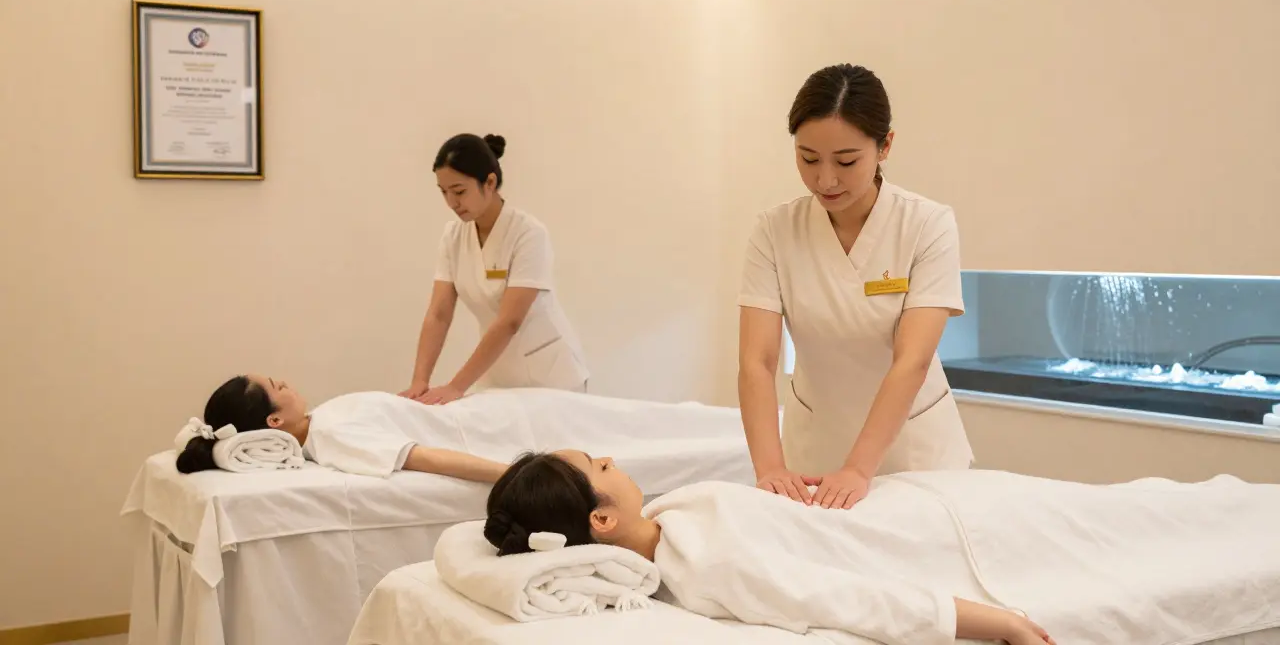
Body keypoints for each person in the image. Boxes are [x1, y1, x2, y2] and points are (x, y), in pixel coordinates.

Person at [483, 450, 1059, 645]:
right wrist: (995, 622)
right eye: (601, 464)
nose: (613, 458)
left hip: (902, 504)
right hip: (932, 536)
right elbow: (845, 596)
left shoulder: (667, 518)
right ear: (602, 517)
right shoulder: (710, 566)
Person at [737, 64, 972, 510]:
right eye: (808, 158)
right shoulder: (774, 230)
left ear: (885, 146)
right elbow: (758, 361)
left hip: (914, 448)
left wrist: (860, 469)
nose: (825, 180)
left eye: (846, 161)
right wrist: (768, 468)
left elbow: (912, 360)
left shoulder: (926, 224)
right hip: (814, 449)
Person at [400, 133, 588, 405]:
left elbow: (509, 321)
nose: (452, 203)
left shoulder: (528, 233)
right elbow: (439, 314)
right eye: (444, 192)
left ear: (489, 182)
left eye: (459, 191)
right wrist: (419, 382)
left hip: (551, 377)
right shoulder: (453, 236)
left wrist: (455, 387)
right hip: (497, 375)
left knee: (553, 449)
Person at [175, 374, 507, 482]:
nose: (287, 383)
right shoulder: (332, 436)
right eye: (278, 387)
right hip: (487, 427)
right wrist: (516, 473)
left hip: (476, 410)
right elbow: (426, 458)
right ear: (274, 422)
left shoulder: (319, 421)